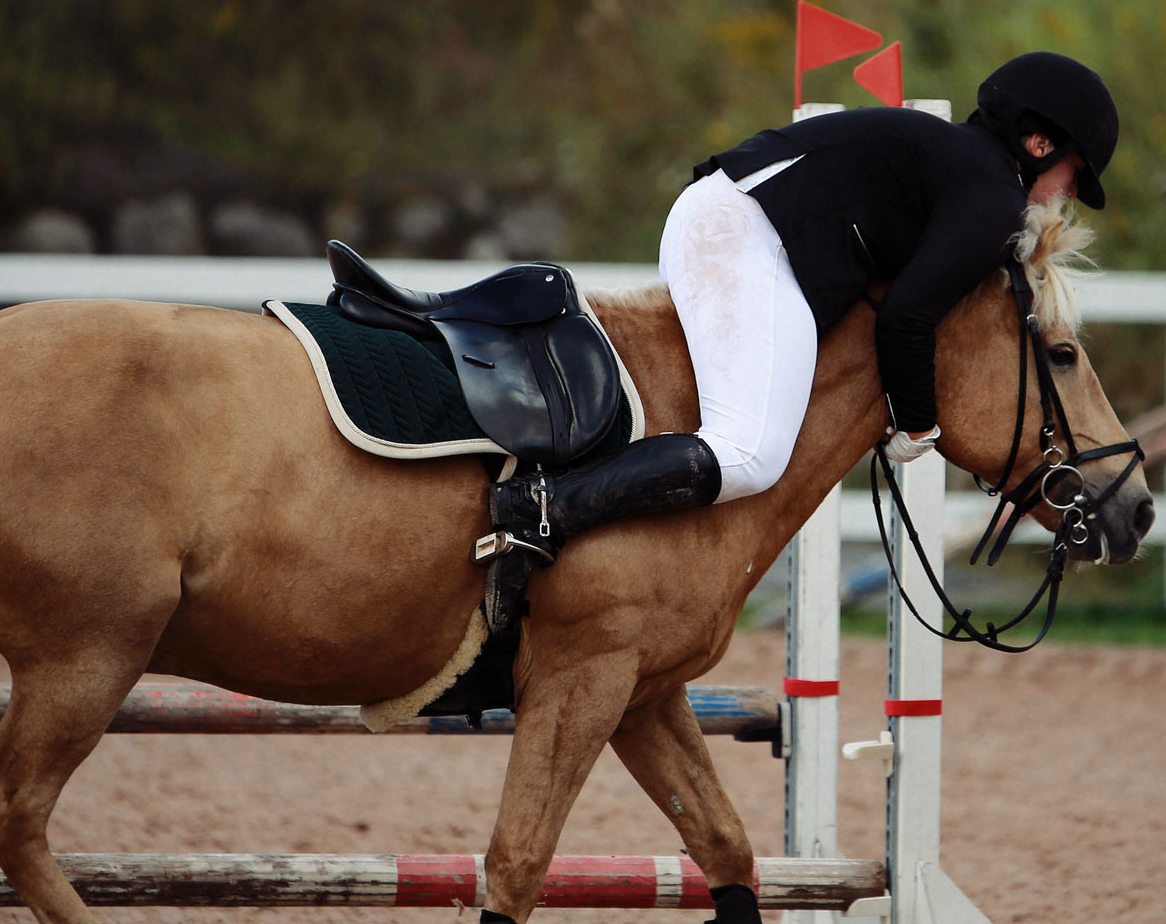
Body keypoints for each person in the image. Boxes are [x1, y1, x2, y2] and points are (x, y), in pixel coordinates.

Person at [473, 51, 1120, 636]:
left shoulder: (958, 167)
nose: (1065, 194)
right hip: (744, 235)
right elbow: (907, 316)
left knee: (722, 427)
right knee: (752, 451)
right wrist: (918, 424)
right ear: (1038, 142)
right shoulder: (991, 195)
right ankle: (543, 508)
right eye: (1072, 173)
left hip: (729, 221)